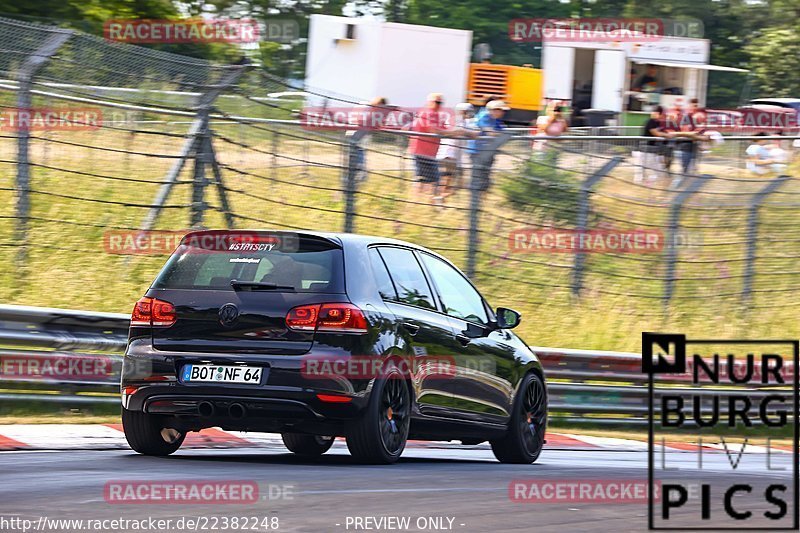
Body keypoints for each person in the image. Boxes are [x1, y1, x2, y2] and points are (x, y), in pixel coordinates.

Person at [408, 92, 451, 202]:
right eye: (436, 102)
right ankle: (417, 203)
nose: (439, 105)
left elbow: (443, 130)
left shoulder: (437, 115)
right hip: (421, 152)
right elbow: (433, 130)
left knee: (430, 180)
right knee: (423, 180)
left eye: (440, 103)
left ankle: (424, 203)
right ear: (429, 102)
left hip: (430, 154)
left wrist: (450, 132)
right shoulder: (426, 113)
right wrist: (453, 132)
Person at [436, 102, 476, 200]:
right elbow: (455, 132)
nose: (469, 113)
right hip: (448, 153)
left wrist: (467, 132)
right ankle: (439, 198)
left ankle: (440, 197)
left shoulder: (466, 122)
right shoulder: (454, 119)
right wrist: (467, 132)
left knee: (460, 184)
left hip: (458, 156)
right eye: (467, 111)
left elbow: (473, 133)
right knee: (446, 178)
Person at [635, 106, 669, 184]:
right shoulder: (651, 122)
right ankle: (647, 185)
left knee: (656, 172)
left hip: (650, 151)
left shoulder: (656, 123)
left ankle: (648, 184)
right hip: (646, 151)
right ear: (658, 114)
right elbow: (656, 133)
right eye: (662, 115)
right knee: (655, 172)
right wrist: (667, 135)